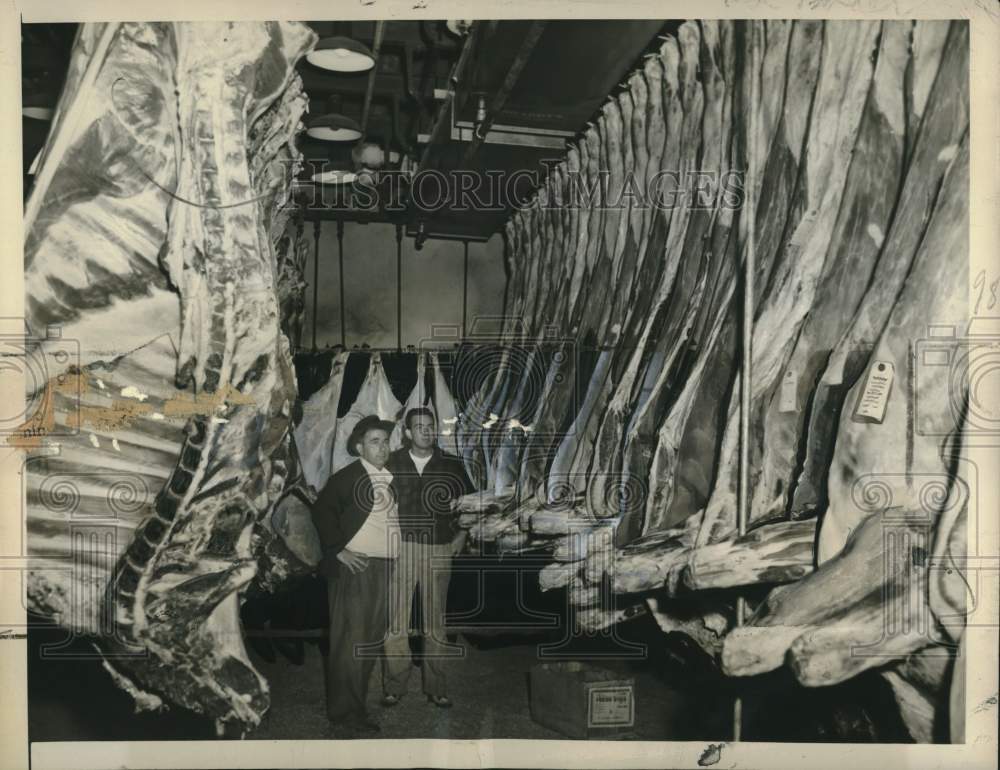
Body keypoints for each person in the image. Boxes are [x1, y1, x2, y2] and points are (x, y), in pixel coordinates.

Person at [311, 414, 399, 734]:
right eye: (374, 442)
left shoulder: (385, 477)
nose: (382, 447)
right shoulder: (348, 476)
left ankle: (354, 707)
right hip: (357, 569)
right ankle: (346, 715)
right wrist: (338, 550)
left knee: (369, 641)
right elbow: (320, 512)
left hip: (381, 566)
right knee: (351, 641)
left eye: (386, 441)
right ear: (359, 446)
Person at [381, 407, 474, 709]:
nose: (426, 431)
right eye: (419, 426)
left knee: (435, 622)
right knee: (396, 621)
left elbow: (469, 505)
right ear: (407, 432)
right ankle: (394, 686)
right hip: (402, 547)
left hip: (438, 547)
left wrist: (461, 536)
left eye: (430, 426)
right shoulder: (391, 461)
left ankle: (437, 687)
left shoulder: (452, 464)